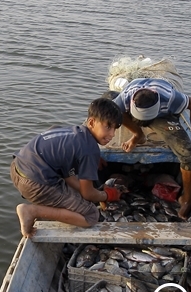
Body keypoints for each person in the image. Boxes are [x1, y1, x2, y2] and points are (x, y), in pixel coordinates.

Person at [11, 98, 123, 238]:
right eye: (108, 127)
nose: (112, 134)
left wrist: (87, 167)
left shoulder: (72, 132)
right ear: (92, 122)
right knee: (91, 215)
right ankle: (32, 211)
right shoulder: (89, 150)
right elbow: (88, 194)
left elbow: (68, 176)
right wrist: (108, 195)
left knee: (79, 195)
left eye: (115, 129)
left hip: (18, 168)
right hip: (35, 184)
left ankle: (43, 207)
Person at [111, 77, 191, 220]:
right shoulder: (126, 97)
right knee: (113, 109)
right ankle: (138, 135)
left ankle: (187, 198)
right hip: (132, 107)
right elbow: (106, 115)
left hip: (161, 116)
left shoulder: (171, 99)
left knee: (188, 155)